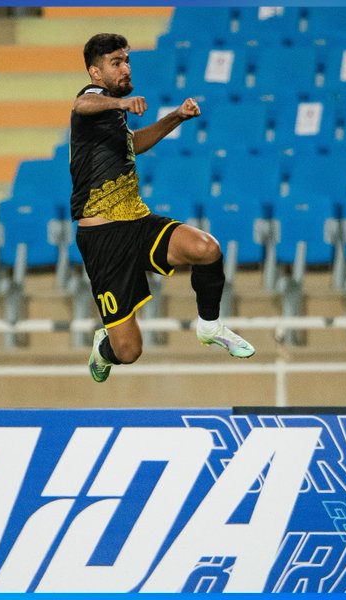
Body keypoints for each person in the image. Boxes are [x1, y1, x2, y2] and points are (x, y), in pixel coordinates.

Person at [70, 33, 255, 383]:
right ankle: (103, 349)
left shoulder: (110, 115)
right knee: (128, 351)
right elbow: (82, 105)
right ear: (95, 72)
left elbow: (132, 144)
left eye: (126, 61)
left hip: (137, 222)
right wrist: (121, 103)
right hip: (102, 240)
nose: (125, 68)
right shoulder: (93, 99)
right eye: (115, 63)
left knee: (206, 248)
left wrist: (176, 117)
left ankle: (210, 326)